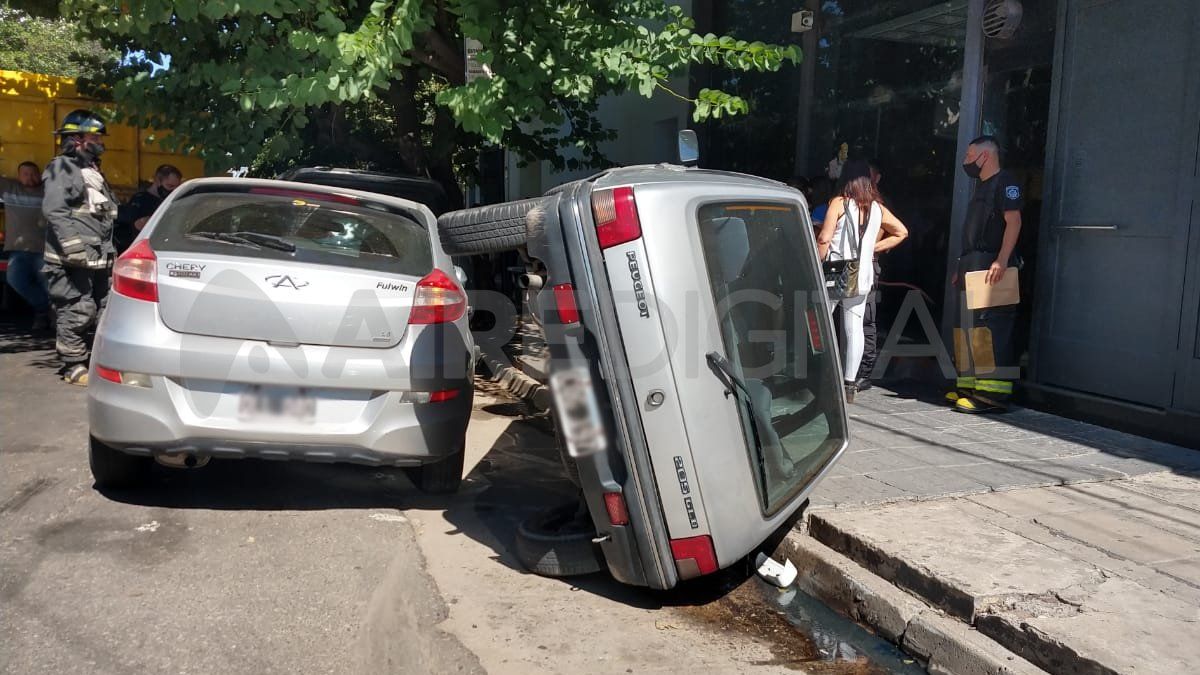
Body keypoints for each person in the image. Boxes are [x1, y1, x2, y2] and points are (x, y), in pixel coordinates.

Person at [818, 160, 908, 403]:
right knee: (854, 327)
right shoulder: (878, 209)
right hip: (863, 274)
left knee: (821, 322)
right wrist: (872, 249)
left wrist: (816, 260)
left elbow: (825, 238)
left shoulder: (838, 203)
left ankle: (817, 376)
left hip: (836, 273)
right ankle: (850, 384)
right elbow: (902, 232)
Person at [41, 109, 119, 386]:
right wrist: (73, 248)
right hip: (71, 260)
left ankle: (97, 361)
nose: (100, 141)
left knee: (104, 309)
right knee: (78, 309)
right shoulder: (60, 168)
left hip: (97, 257)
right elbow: (55, 211)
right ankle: (72, 366)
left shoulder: (92, 171)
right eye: (95, 136)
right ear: (76, 139)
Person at [947, 136, 1023, 413]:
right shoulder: (981, 187)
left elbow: (1014, 222)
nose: (966, 161)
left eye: (969, 155)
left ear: (985, 156)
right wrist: (961, 265)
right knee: (966, 326)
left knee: (988, 328)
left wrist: (1001, 260)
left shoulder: (1006, 182)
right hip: (972, 262)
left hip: (992, 263)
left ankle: (991, 393)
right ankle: (968, 385)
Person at [1, 161, 52, 330]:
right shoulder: (9, 189)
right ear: (18, 176)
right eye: (25, 174)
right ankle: (44, 309)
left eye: (33, 173)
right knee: (15, 280)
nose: (30, 178)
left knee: (49, 284)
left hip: (44, 250)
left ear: (40, 175)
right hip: (18, 251)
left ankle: (50, 316)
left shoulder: (48, 191)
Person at [114, 163, 181, 254]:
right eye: (169, 186)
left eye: (176, 187)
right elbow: (138, 225)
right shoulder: (141, 200)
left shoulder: (170, 200)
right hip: (141, 250)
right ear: (157, 180)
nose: (173, 190)